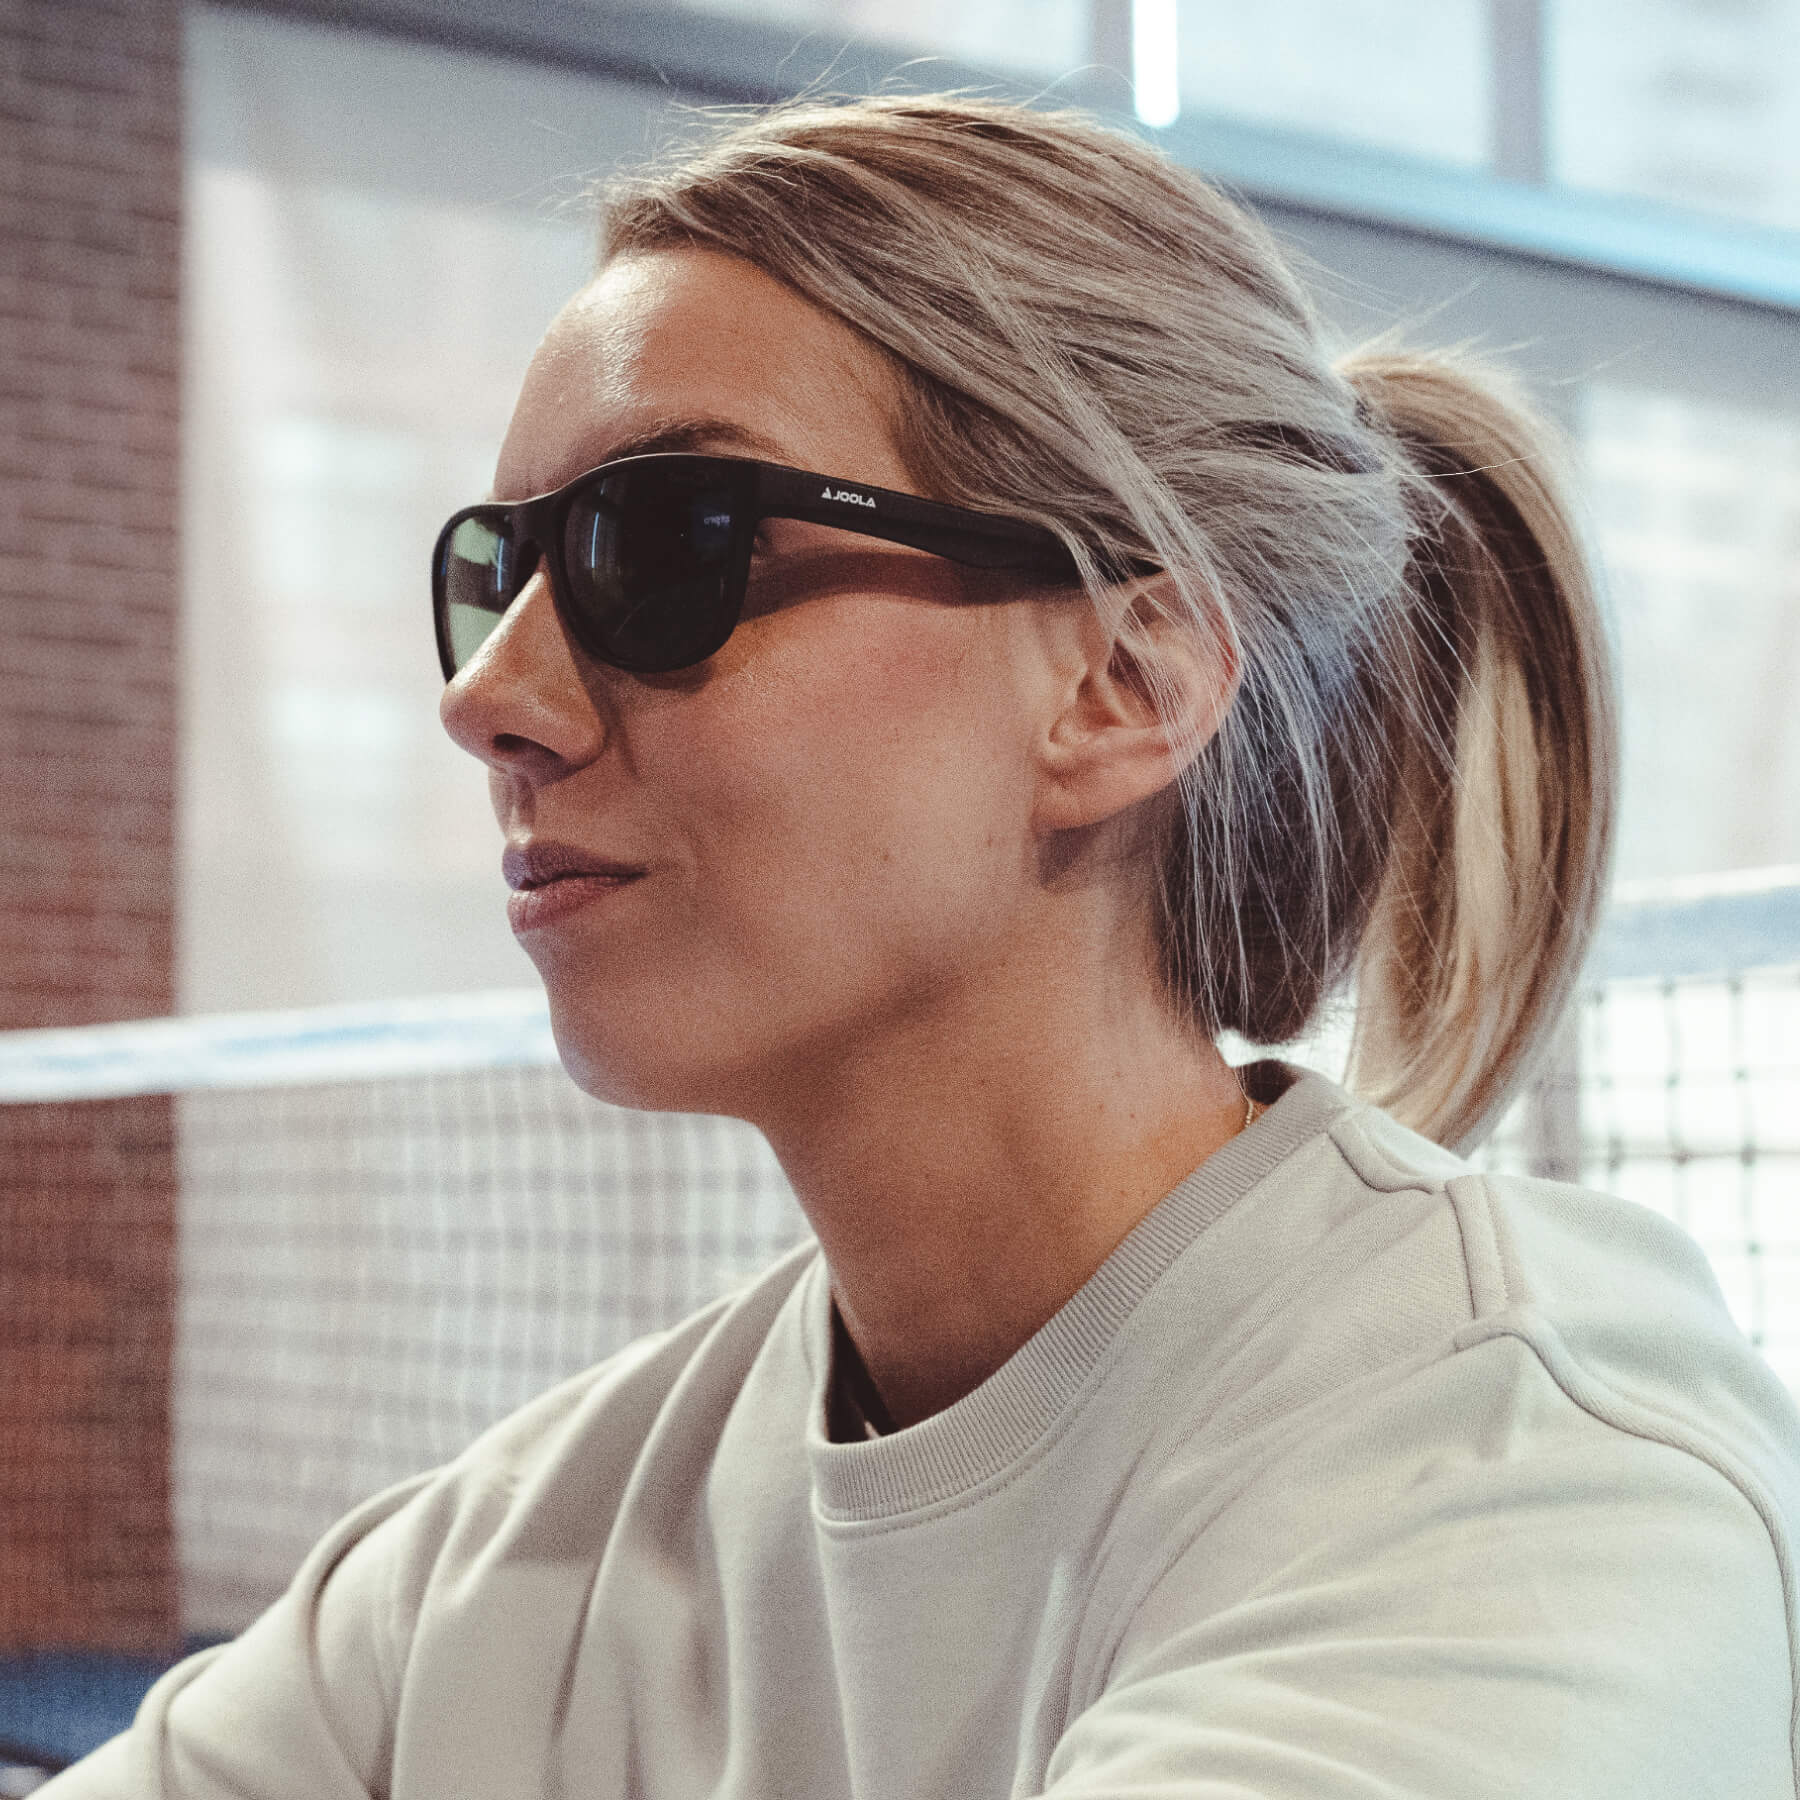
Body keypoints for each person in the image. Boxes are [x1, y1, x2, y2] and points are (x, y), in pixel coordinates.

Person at [49, 95, 1800, 1799]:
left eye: (667, 545)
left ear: (1126, 685)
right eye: (494, 570)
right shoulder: (520, 1566)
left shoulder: (1515, 1476)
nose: (483, 695)